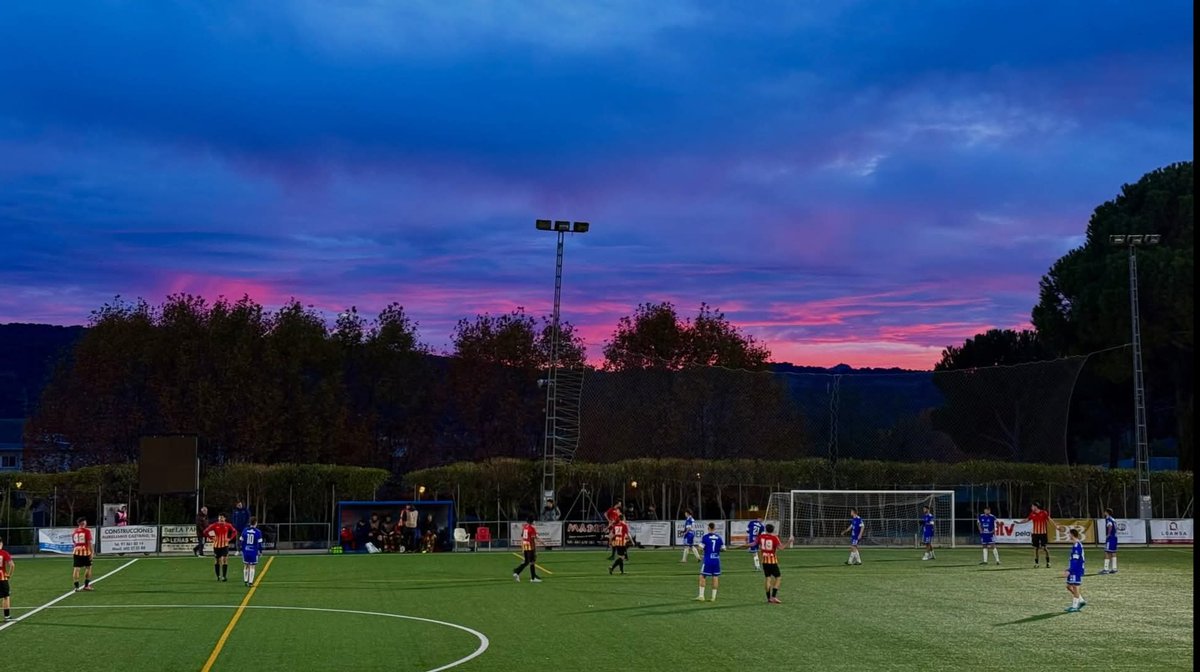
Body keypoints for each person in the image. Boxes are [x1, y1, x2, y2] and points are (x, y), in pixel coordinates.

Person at [757, 524, 791, 604]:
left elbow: (756, 544)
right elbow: (781, 548)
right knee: (778, 578)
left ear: (766, 529)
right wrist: (789, 541)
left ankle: (769, 598)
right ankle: (774, 597)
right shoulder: (774, 538)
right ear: (773, 530)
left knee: (767, 578)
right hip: (772, 561)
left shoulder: (761, 537)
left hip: (764, 561)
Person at [1016, 502, 1054, 568]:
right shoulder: (1032, 514)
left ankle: (1048, 562)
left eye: (1032, 506)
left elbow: (1049, 520)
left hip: (1043, 533)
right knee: (1035, 548)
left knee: (1044, 548)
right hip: (1035, 534)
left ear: (1036, 507)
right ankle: (1036, 563)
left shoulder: (1044, 512)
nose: (1031, 508)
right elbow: (1027, 519)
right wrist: (1019, 522)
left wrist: (1056, 527)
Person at [203, 513, 238, 582]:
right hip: (216, 546)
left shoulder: (228, 525)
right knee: (217, 561)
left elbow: (235, 532)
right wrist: (211, 538)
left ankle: (224, 576)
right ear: (218, 518)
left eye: (222, 518)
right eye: (220, 517)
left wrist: (229, 539)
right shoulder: (215, 525)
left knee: (225, 560)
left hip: (225, 545)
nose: (221, 519)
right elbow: (205, 531)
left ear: (225, 518)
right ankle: (218, 576)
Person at [695, 522, 724, 602]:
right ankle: (713, 597)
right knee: (715, 577)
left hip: (708, 560)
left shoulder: (705, 537)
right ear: (714, 529)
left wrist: (701, 551)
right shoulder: (719, 538)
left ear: (708, 528)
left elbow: (700, 548)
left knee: (702, 576)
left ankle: (701, 596)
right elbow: (724, 549)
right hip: (716, 560)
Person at [512, 515, 542, 583]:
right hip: (530, 547)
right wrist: (542, 542)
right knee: (532, 562)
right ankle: (532, 578)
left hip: (525, 546)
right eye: (534, 520)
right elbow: (534, 538)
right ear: (532, 521)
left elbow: (522, 537)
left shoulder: (525, 527)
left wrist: (522, 547)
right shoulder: (532, 528)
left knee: (526, 562)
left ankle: (517, 572)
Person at [1063, 527, 1088, 612]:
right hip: (1073, 568)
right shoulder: (1076, 544)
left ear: (1072, 535)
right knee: (1069, 586)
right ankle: (1081, 601)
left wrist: (1069, 570)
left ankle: (1074, 606)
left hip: (1076, 569)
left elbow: (1076, 560)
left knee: (1075, 587)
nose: (1068, 535)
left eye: (1069, 534)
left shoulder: (1077, 545)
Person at [239, 517, 265, 587]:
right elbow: (259, 543)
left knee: (246, 565)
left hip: (246, 550)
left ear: (250, 523)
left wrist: (240, 549)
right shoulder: (258, 532)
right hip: (254, 551)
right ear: (256, 523)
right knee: (252, 566)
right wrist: (260, 551)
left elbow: (241, 541)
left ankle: (245, 581)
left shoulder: (245, 530)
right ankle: (250, 582)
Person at [72, 517, 94, 591]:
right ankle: (86, 586)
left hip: (76, 551)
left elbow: (74, 542)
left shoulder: (75, 531)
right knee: (88, 567)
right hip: (85, 551)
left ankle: (76, 587)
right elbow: (89, 543)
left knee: (76, 568)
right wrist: (92, 552)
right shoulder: (87, 531)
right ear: (83, 523)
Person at [1100, 508, 1119, 575]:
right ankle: (1114, 568)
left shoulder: (1108, 519)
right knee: (1113, 552)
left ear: (1107, 512)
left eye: (1105, 512)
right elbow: (1116, 527)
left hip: (1111, 538)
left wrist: (1108, 534)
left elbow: (1110, 526)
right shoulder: (1113, 519)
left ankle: (1106, 569)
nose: (1104, 513)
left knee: (1107, 552)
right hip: (1115, 537)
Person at [0, 537, 14, 621]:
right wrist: (9, 575)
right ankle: (7, 616)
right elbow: (12, 565)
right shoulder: (4, 553)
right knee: (6, 596)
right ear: (1, 544)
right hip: (2, 577)